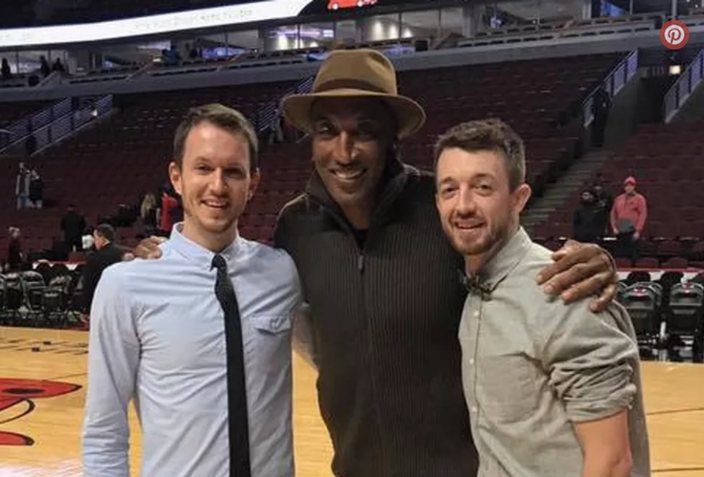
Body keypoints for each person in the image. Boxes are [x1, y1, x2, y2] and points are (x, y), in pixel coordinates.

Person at [134, 49, 618, 477]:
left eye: (363, 132)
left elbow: (515, 267)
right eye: (328, 132)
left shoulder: (443, 210)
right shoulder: (295, 228)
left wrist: (594, 259)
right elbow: (234, 282)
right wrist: (163, 259)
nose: (344, 152)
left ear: (392, 139)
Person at [82, 104, 301, 477]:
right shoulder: (127, 285)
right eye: (203, 168)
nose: (217, 186)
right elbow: (104, 429)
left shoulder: (282, 272)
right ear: (177, 176)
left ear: (253, 183)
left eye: (233, 172)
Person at [434, 118, 650, 477]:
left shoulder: (564, 289)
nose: (464, 205)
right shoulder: (472, 284)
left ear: (518, 199)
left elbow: (611, 463)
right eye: (449, 190)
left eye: (483, 187)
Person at [80, 224, 126, 310]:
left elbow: (89, 285)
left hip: (102, 303)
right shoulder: (126, 253)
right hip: (124, 301)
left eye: (95, 238)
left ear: (102, 239)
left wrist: (86, 308)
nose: (94, 241)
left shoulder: (94, 258)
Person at [611, 176, 647, 266]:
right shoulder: (618, 199)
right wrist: (614, 227)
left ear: (634, 187)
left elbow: (643, 214)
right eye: (627, 186)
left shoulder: (639, 198)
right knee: (620, 254)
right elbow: (613, 214)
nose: (628, 187)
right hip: (620, 230)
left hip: (632, 229)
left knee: (633, 254)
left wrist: (638, 230)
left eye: (631, 186)